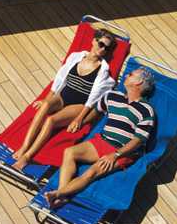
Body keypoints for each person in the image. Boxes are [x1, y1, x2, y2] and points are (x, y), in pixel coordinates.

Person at [44, 67, 155, 208]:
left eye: (131, 74)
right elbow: (96, 112)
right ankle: (62, 194)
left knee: (91, 173)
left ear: (138, 82)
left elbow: (139, 140)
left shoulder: (146, 110)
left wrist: (115, 155)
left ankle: (58, 194)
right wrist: (79, 121)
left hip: (122, 151)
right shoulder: (112, 96)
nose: (126, 75)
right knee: (69, 152)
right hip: (101, 141)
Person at [12, 29, 118, 170]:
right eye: (101, 44)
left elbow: (93, 98)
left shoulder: (102, 71)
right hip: (62, 97)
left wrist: (79, 118)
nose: (103, 49)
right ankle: (24, 147)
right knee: (44, 107)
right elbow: (60, 78)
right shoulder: (76, 57)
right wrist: (47, 99)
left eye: (107, 48)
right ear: (93, 41)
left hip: (78, 105)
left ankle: (27, 156)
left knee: (51, 120)